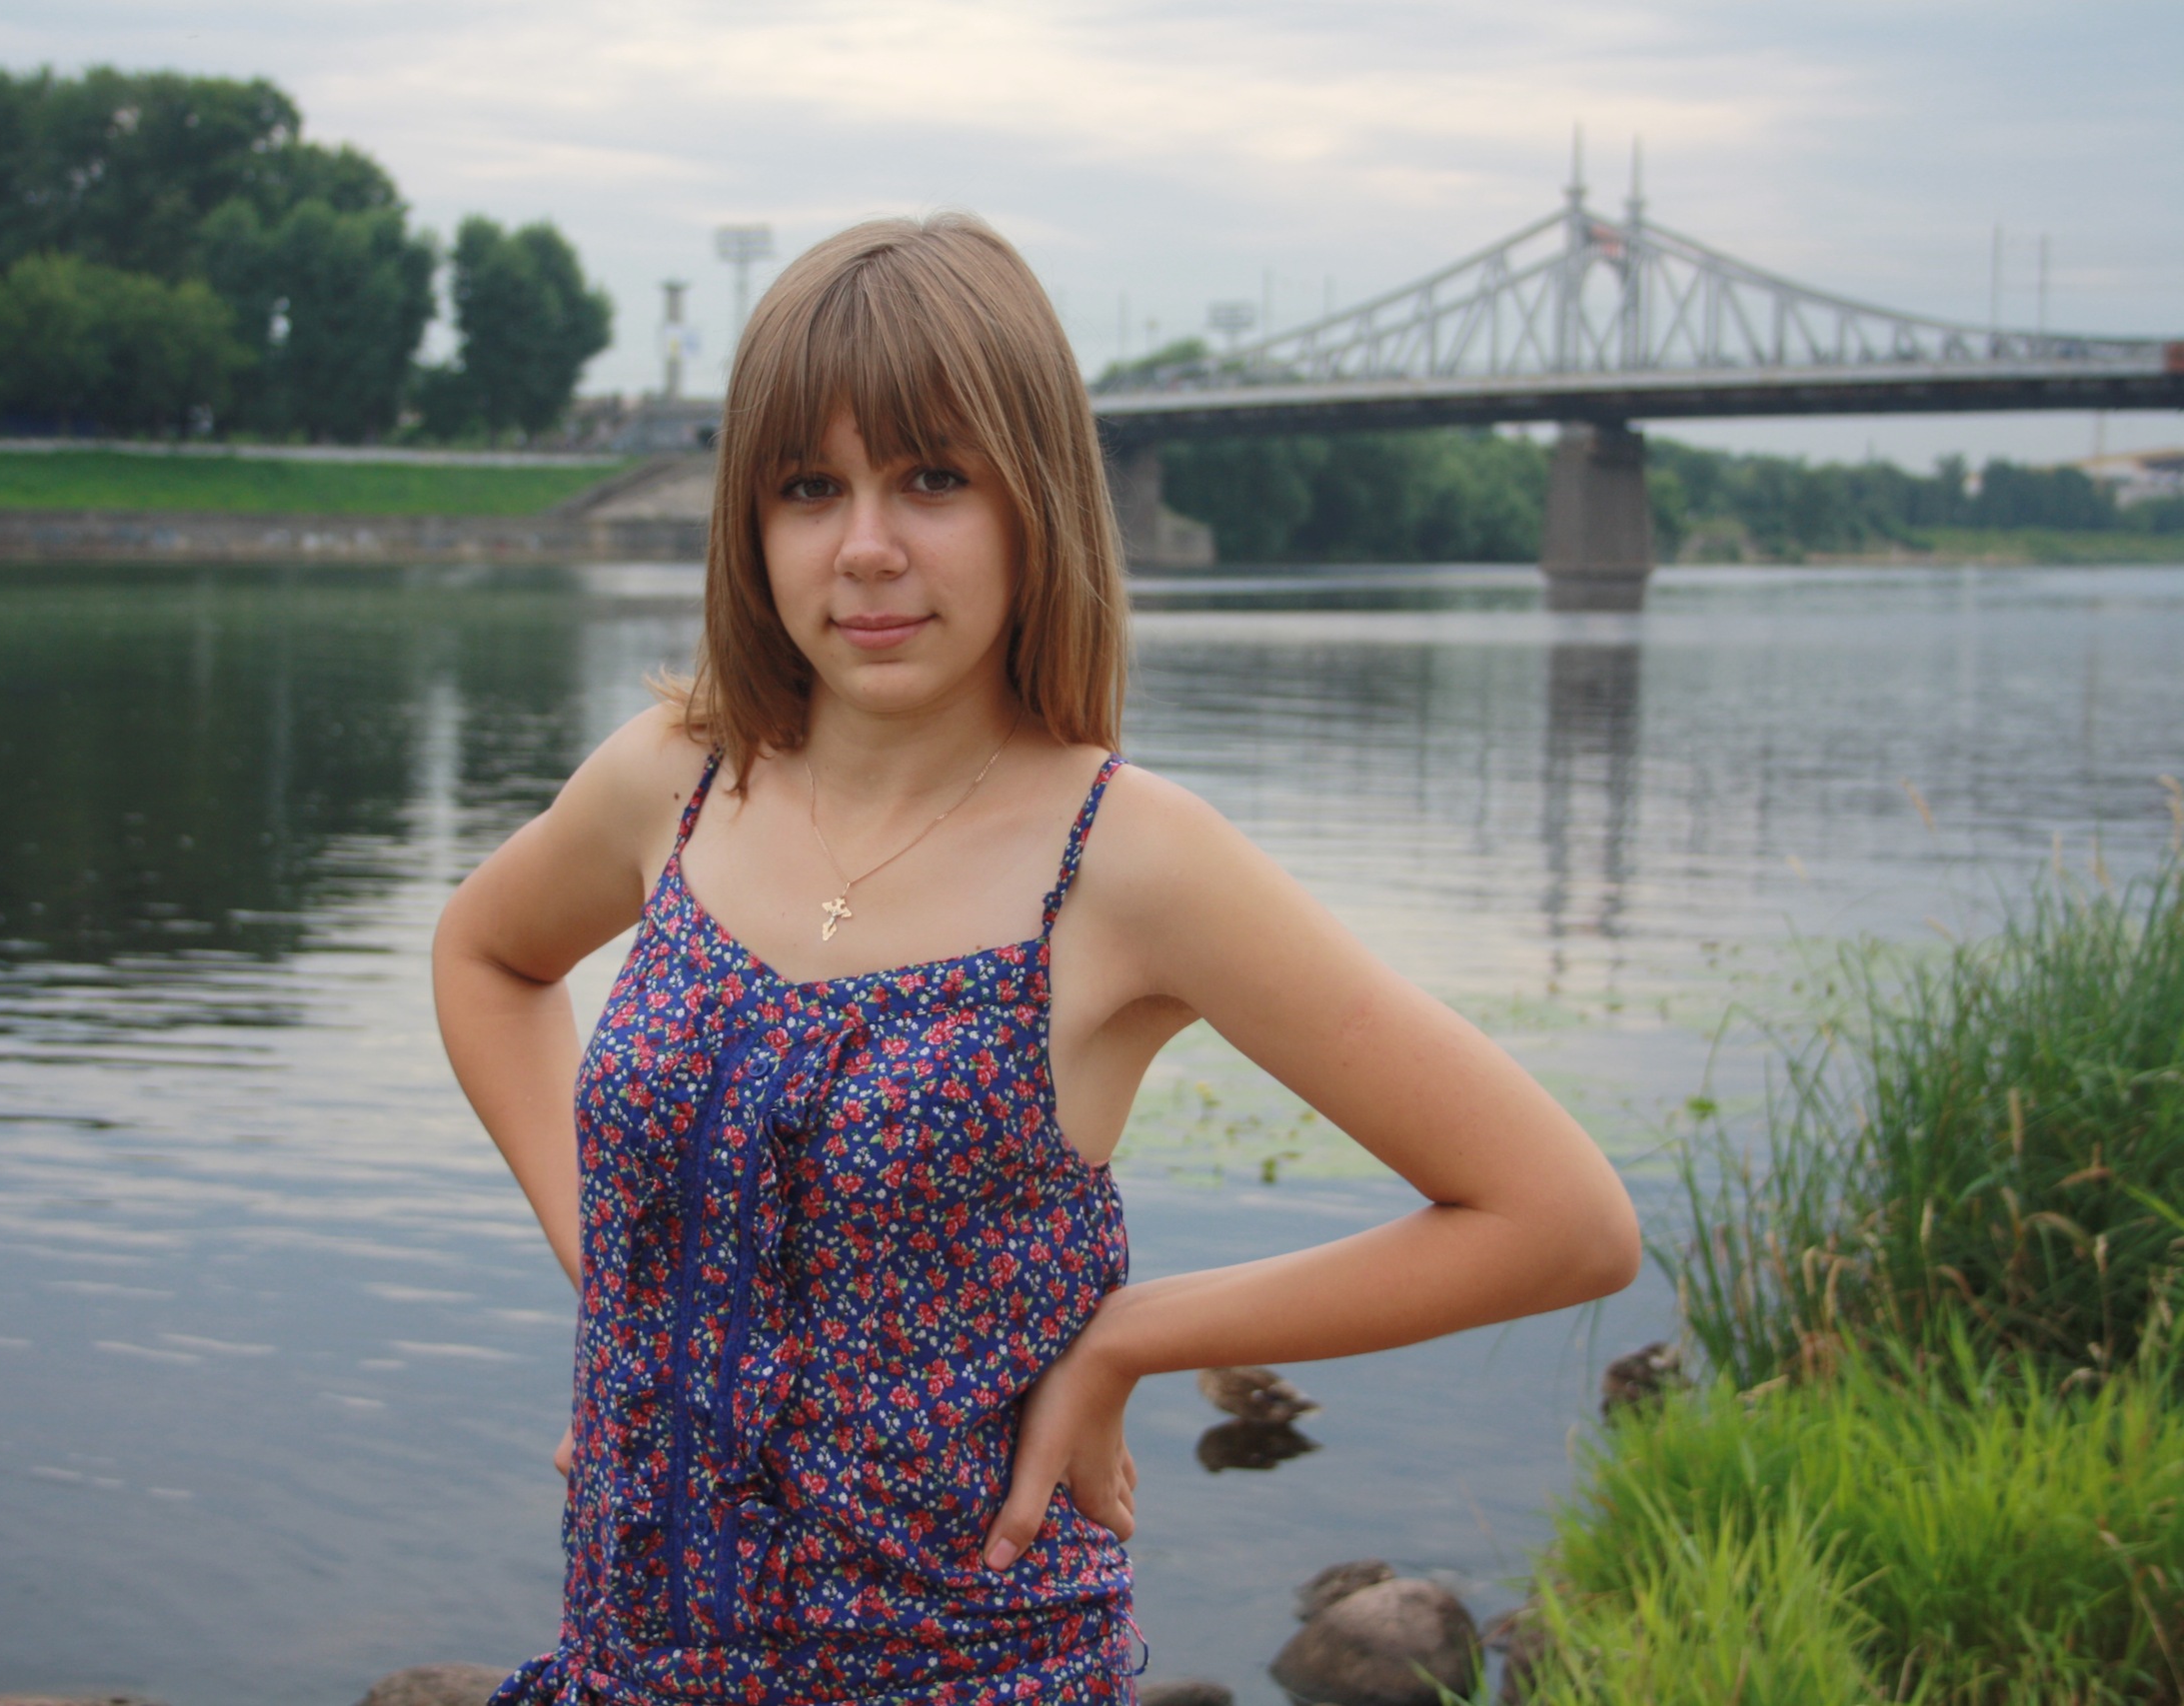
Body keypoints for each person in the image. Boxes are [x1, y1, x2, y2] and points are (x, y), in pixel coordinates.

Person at [431, 212, 1640, 1706]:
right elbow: (486, 955)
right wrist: (631, 1285)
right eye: (810, 488)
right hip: (634, 1656)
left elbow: (1560, 1219)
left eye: (932, 479)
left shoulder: (1132, 858)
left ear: (1036, 501)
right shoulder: (675, 779)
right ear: (751, 523)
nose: (866, 548)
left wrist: (1133, 1336)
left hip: (969, 1664)